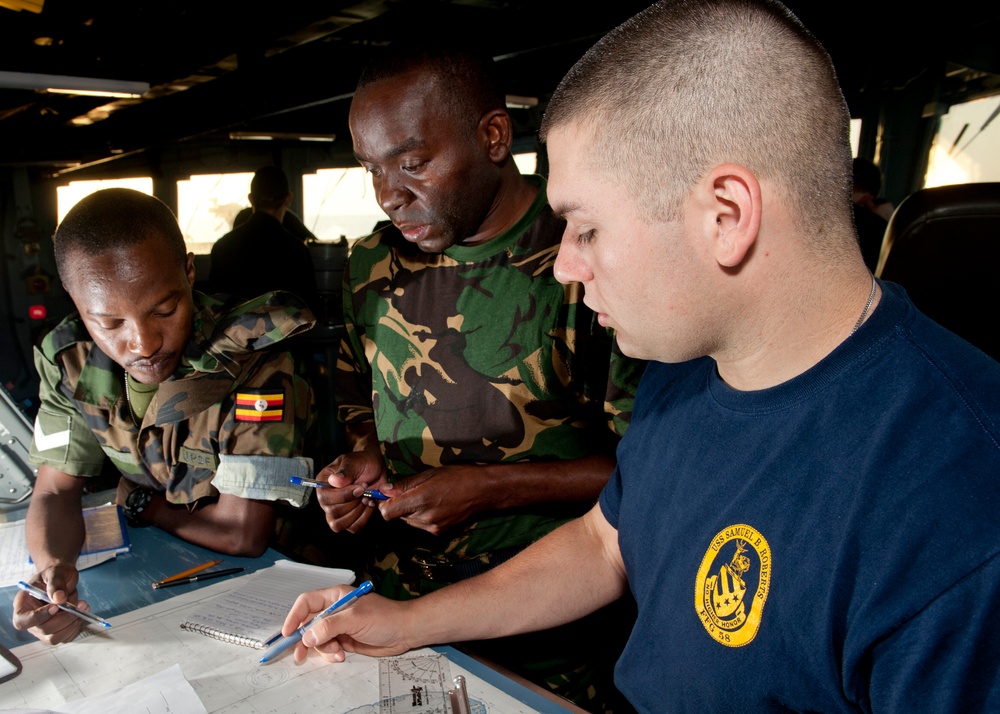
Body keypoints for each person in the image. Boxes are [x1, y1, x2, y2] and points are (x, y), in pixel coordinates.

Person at [278, 1, 1000, 710]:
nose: (561, 267)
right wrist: (406, 622)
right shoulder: (688, 377)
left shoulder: (958, 506)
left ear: (726, 217)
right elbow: (604, 543)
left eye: (585, 228)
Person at [315, 46, 644, 711]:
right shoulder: (373, 264)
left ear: (493, 137)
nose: (388, 194)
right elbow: (365, 410)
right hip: (402, 607)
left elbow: (655, 475)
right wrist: (361, 470)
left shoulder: (583, 265)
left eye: (414, 164)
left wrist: (492, 489)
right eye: (370, 168)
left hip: (550, 635)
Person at [13, 188, 317, 645]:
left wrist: (143, 506)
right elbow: (55, 490)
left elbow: (244, 534)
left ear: (190, 270)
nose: (144, 342)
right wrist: (54, 569)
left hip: (269, 585)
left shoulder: (253, 356)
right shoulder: (67, 360)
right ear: (75, 301)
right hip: (163, 563)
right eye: (110, 323)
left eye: (164, 309)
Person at [209, 166, 319, 312]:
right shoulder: (298, 251)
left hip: (233, 334)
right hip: (283, 334)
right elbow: (310, 311)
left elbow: (213, 308)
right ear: (288, 199)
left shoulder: (222, 248)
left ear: (251, 199)